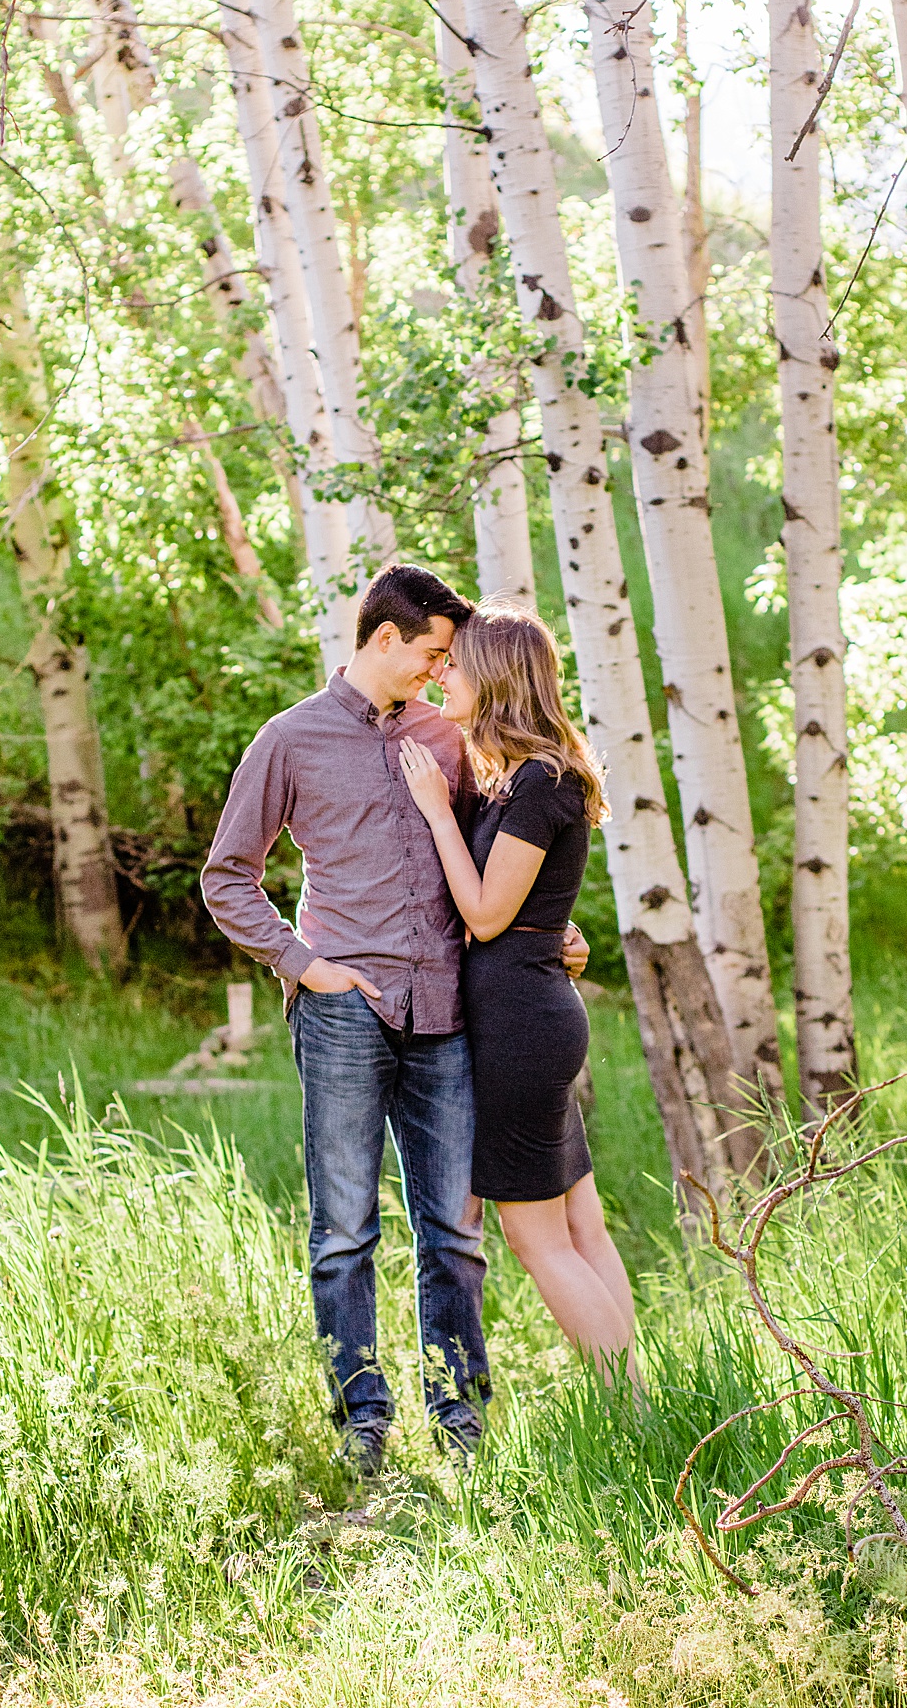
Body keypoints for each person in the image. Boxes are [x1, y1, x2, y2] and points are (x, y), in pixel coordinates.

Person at [201, 564, 589, 1474]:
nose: (441, 672)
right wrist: (305, 967)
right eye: (432, 654)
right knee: (344, 1231)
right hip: (343, 1009)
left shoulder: (448, 739)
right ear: (385, 639)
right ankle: (361, 1426)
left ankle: (461, 1424)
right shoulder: (290, 740)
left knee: (454, 1231)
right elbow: (227, 876)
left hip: (449, 1009)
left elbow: (503, 859)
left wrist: (554, 932)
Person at [398, 600, 639, 1388]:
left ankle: (632, 1407)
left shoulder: (538, 782)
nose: (442, 674)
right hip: (534, 1014)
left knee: (540, 1241)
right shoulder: (526, 777)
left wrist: (436, 813)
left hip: (519, 1028)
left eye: (455, 665)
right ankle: (642, 1399)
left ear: (496, 678)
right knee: (582, 1227)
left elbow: (487, 914)